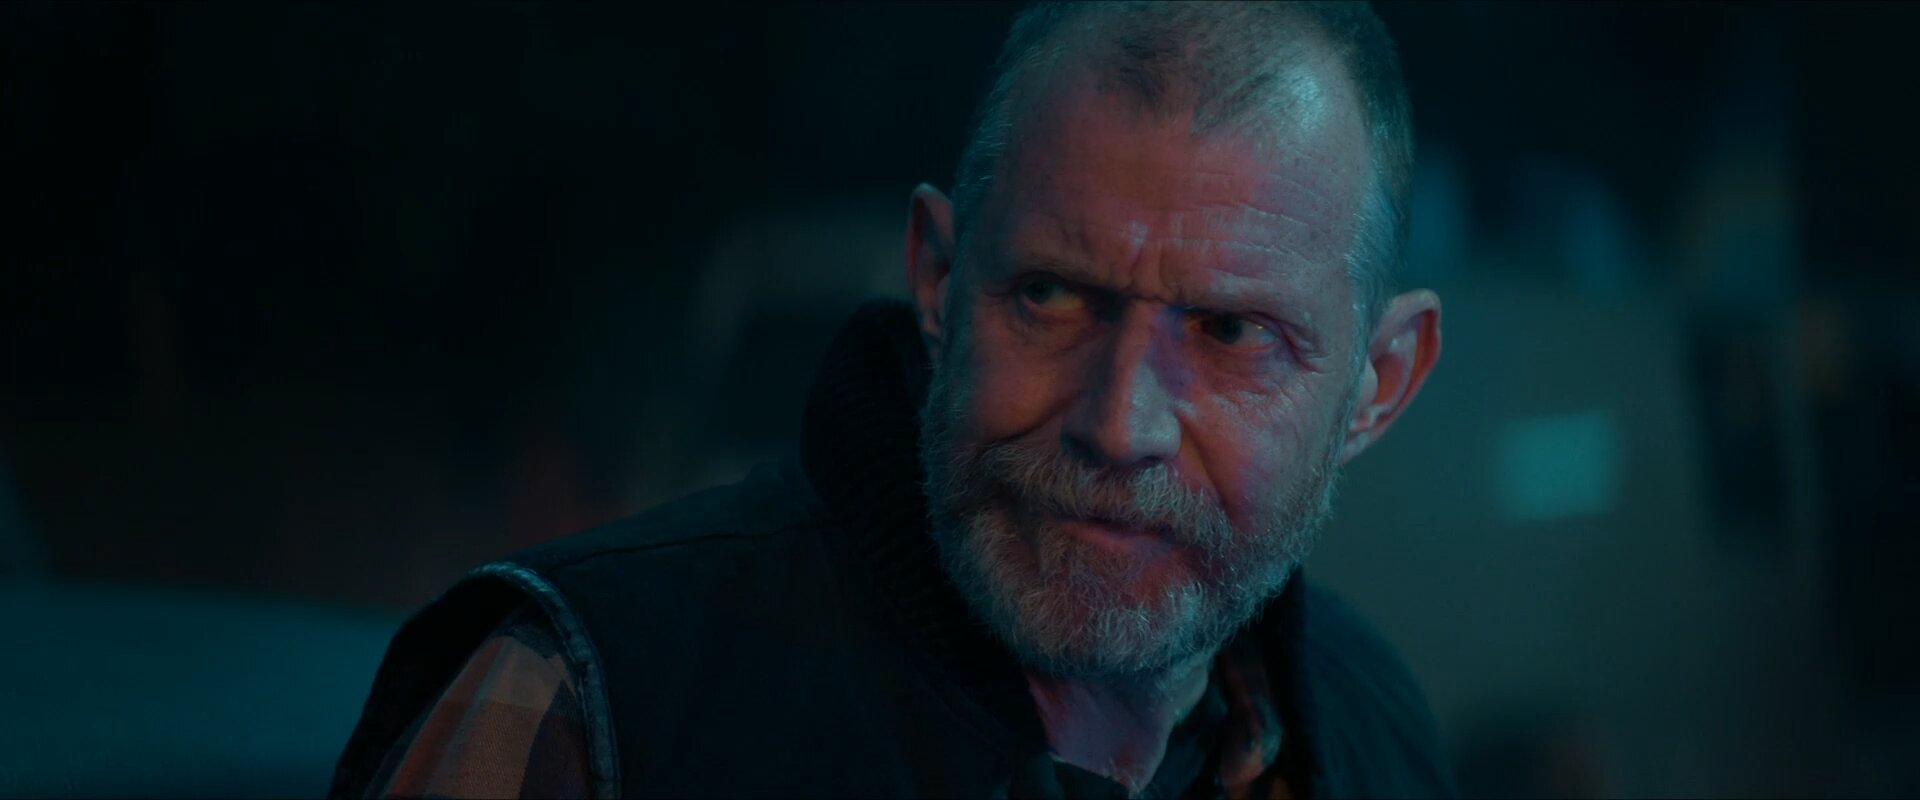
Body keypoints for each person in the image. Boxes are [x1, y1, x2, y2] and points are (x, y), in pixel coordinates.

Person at [331, 2, 1450, 797]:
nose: (1119, 425)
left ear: (1380, 383)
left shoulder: (1370, 727)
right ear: (936, 279)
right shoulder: (594, 697)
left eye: (1229, 332)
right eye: (1052, 295)